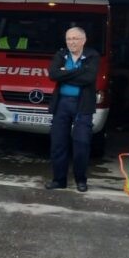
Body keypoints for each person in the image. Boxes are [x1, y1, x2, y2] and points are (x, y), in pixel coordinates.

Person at [44, 26, 99, 193]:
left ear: (84, 40)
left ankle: (81, 180)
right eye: (69, 39)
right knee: (58, 143)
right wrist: (78, 71)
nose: (71, 42)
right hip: (61, 104)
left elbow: (89, 78)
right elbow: (53, 74)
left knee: (81, 143)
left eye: (75, 38)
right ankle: (59, 180)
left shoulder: (92, 55)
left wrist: (66, 72)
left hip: (82, 105)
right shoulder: (61, 54)